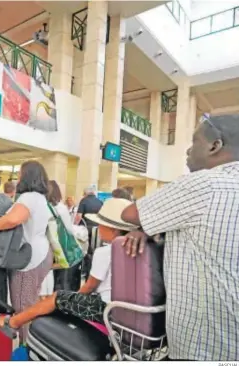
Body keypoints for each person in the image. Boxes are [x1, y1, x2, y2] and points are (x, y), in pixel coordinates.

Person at [121, 114, 239, 361]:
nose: (187, 149)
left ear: (214, 145)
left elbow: (131, 213)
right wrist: (150, 227)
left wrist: (143, 225)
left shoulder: (204, 184)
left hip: (204, 344)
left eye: (194, 141)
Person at [0, 198, 136, 338]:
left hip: (106, 309)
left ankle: (11, 322)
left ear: (114, 230)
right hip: (126, 311)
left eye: (102, 223)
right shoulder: (137, 251)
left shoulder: (105, 252)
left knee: (57, 298)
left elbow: (90, 286)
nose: (99, 227)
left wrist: (71, 300)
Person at [0, 161, 53, 343]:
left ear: (27, 176)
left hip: (28, 257)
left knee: (23, 307)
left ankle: (27, 349)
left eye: (20, 174)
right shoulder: (41, 198)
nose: (18, 178)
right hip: (42, 253)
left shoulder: (28, 197)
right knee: (32, 303)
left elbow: (14, 219)